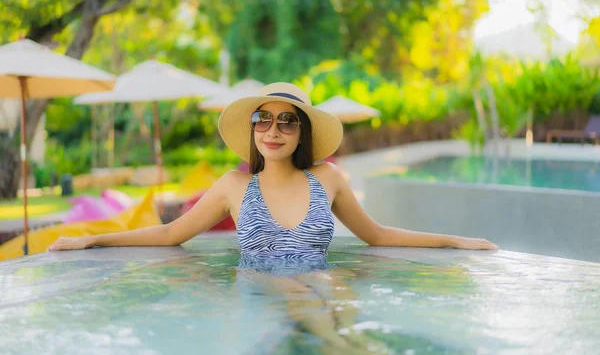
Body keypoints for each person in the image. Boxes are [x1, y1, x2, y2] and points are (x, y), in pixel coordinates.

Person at [47, 82, 498, 254]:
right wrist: (93, 239)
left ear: (302, 133)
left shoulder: (328, 179)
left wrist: (454, 241)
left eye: (287, 120)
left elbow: (378, 235)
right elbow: (169, 234)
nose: (273, 129)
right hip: (259, 303)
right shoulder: (233, 186)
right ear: (253, 130)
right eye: (263, 119)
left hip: (321, 296)